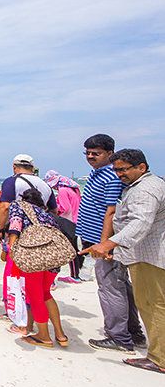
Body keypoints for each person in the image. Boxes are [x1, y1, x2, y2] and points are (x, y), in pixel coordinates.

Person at [81, 149, 163, 373]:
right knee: (145, 301)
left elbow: (139, 223)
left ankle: (158, 358)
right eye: (117, 170)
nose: (119, 174)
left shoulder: (145, 189)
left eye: (124, 169)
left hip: (150, 255)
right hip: (141, 254)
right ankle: (142, 341)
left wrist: (107, 244)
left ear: (141, 167)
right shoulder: (142, 185)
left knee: (153, 304)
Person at [74, 135, 145, 353]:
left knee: (110, 287)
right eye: (87, 152)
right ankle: (133, 332)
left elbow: (112, 211)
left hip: (104, 242)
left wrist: (105, 243)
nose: (90, 156)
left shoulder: (112, 177)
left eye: (96, 153)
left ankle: (119, 337)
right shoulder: (99, 174)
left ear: (109, 153)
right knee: (120, 285)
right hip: (98, 240)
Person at [7, 188, 69, 348]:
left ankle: (44, 336)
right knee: (46, 293)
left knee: (35, 295)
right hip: (53, 256)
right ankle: (60, 335)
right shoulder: (47, 214)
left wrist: (11, 250)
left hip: (35, 255)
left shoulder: (18, 205)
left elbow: (15, 226)